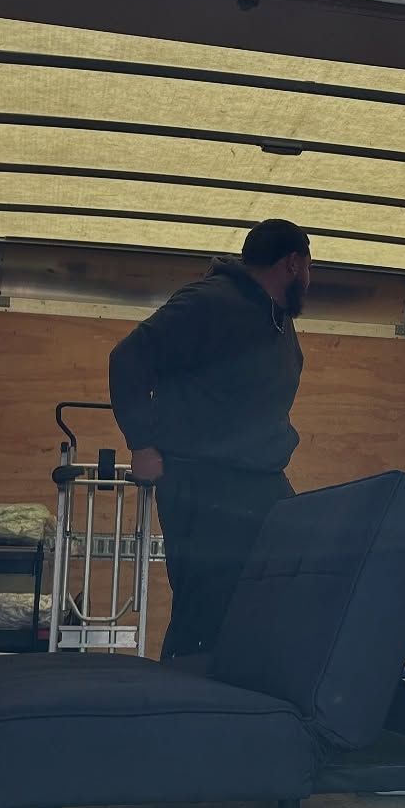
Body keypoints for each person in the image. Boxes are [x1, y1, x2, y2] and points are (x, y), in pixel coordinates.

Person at [109, 219, 312, 659]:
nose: (310, 282)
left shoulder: (277, 322)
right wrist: (141, 444)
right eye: (309, 270)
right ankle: (182, 709)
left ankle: (246, 700)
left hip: (259, 480)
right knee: (207, 607)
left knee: (291, 570)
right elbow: (127, 359)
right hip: (202, 480)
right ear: (293, 264)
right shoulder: (210, 303)